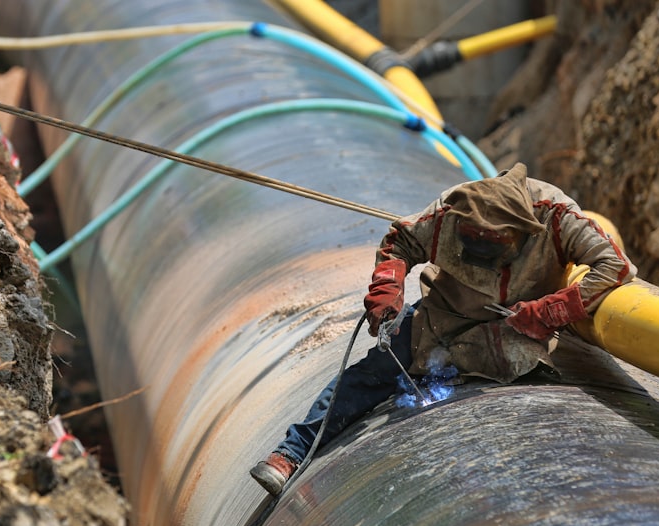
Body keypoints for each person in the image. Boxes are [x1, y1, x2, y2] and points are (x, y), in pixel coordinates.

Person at [249, 162, 637, 496]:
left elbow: (615, 267)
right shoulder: (452, 209)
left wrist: (550, 311)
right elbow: (399, 242)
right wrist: (387, 290)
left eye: (492, 246)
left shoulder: (554, 215)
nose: (479, 253)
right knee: (370, 375)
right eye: (472, 241)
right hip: (441, 318)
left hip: (511, 331)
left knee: (537, 398)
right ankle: (292, 452)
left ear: (522, 232)